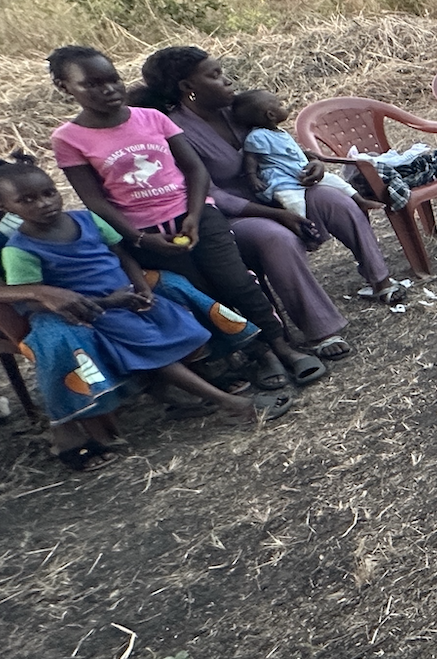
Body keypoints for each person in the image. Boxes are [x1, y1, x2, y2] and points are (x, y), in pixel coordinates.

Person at [47, 46, 322, 392]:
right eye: (92, 84)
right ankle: (258, 354)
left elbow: (195, 170)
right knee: (202, 297)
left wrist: (194, 215)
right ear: (64, 87)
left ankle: (282, 345)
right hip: (144, 232)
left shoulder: (151, 119)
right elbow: (96, 202)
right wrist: (140, 239)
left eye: (113, 79)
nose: (109, 90)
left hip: (196, 215)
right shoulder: (69, 139)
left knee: (237, 283)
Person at [0, 157, 291, 432]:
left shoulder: (87, 219)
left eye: (49, 193)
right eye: (27, 200)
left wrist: (139, 286)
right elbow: (34, 300)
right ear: (6, 207)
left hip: (127, 295)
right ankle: (230, 404)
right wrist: (108, 303)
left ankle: (183, 387)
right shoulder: (19, 250)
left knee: (176, 314)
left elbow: (122, 254)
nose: (44, 204)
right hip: (93, 310)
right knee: (145, 343)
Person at [140, 47, 406, 321]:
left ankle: (380, 281)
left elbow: (282, 145)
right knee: (277, 238)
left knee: (336, 201)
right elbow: (211, 193)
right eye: (216, 75)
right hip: (234, 215)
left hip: (282, 190)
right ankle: (320, 328)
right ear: (188, 87)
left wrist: (311, 161)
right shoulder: (175, 131)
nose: (227, 81)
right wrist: (278, 214)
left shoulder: (241, 110)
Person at [230, 89, 370, 215]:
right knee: (294, 203)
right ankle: (304, 227)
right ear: (271, 115)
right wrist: (252, 177)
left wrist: (304, 154)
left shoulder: (279, 132)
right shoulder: (258, 136)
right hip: (282, 179)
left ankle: (359, 200)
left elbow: (282, 152)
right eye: (279, 105)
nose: (283, 106)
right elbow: (251, 157)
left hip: (300, 172)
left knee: (335, 180)